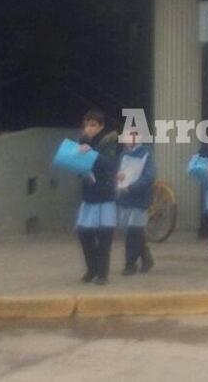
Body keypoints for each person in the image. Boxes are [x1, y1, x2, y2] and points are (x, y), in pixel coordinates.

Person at [76, 108, 120, 285]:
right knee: (84, 232)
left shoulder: (109, 142)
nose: (89, 128)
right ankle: (92, 268)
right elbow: (78, 168)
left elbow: (110, 165)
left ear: (101, 126)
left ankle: (102, 273)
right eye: (87, 124)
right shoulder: (82, 142)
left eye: (93, 125)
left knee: (104, 235)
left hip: (105, 194)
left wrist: (91, 153)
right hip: (89, 194)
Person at [116, 136, 156, 276]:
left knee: (134, 231)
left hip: (139, 198)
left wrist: (132, 187)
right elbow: (119, 171)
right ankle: (146, 258)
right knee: (133, 230)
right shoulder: (124, 153)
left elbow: (150, 176)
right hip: (125, 197)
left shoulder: (146, 153)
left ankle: (130, 264)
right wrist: (118, 177)